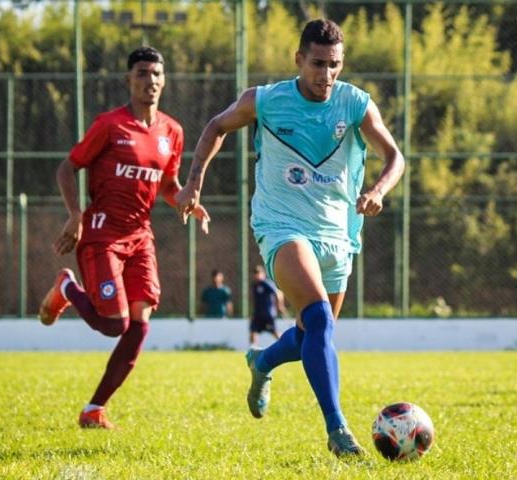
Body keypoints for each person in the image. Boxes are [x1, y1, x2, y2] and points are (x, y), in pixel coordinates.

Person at [175, 19, 405, 456]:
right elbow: (215, 127)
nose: (326, 75)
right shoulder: (265, 101)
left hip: (338, 233)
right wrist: (193, 185)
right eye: (318, 64)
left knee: (310, 336)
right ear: (299, 59)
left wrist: (377, 189)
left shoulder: (355, 104)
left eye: (334, 65)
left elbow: (395, 156)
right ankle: (338, 431)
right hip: (281, 226)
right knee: (318, 319)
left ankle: (261, 362)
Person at [37, 46, 210, 429]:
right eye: (143, 73)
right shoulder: (110, 125)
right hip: (101, 235)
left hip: (140, 236)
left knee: (140, 325)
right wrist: (74, 215)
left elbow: (168, 184)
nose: (151, 81)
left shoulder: (172, 132)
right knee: (114, 324)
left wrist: (185, 200)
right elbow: (68, 167)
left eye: (157, 74)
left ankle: (94, 409)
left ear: (165, 80)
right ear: (128, 80)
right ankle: (67, 287)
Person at [250, 264, 286, 346]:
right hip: (258, 314)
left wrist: (280, 305)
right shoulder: (255, 285)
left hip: (268, 314)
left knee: (274, 332)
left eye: (259, 273)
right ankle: (253, 349)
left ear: (263, 273)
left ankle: (285, 345)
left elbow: (278, 293)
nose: (257, 275)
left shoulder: (266, 283)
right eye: (256, 273)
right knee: (253, 331)